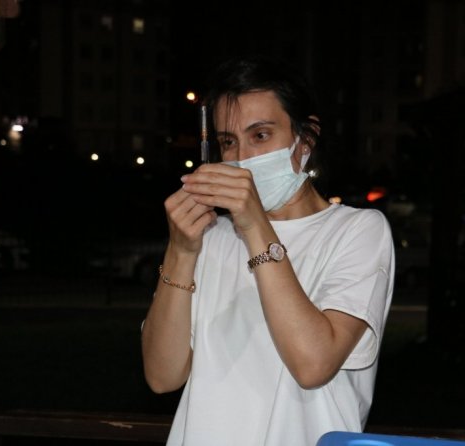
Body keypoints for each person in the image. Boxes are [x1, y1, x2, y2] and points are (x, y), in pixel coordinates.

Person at [140, 54, 395, 446]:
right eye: (229, 142)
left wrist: (255, 224)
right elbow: (162, 376)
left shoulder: (357, 231)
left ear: (305, 138)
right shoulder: (211, 237)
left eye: (260, 135)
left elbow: (313, 365)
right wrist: (181, 250)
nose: (242, 158)